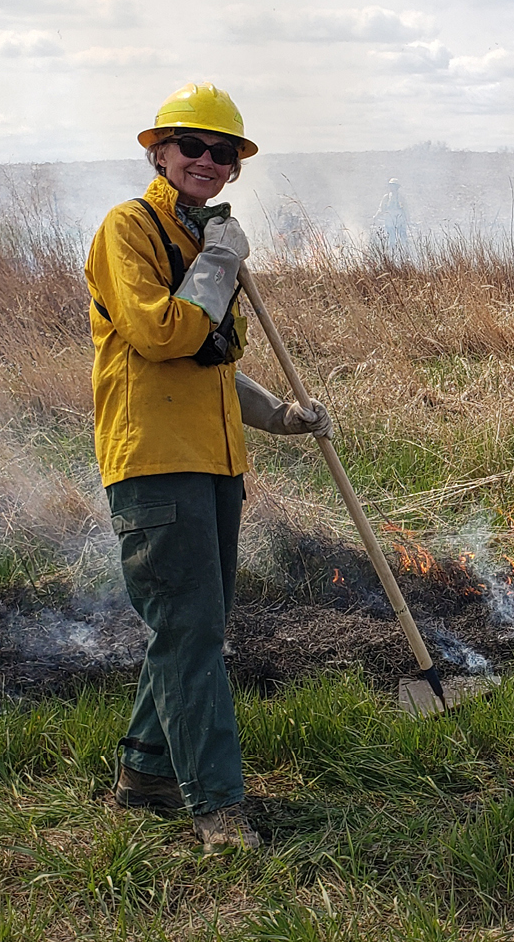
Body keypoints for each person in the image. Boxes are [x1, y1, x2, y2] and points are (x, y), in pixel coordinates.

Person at [85, 82, 331, 851]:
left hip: (214, 462)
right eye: (192, 146)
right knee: (189, 632)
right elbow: (164, 334)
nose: (208, 160)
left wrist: (281, 418)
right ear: (158, 151)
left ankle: (148, 773)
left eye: (223, 153)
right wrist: (221, 259)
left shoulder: (203, 244)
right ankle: (218, 809)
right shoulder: (130, 228)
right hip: (156, 465)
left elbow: (210, 365)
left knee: (194, 627)